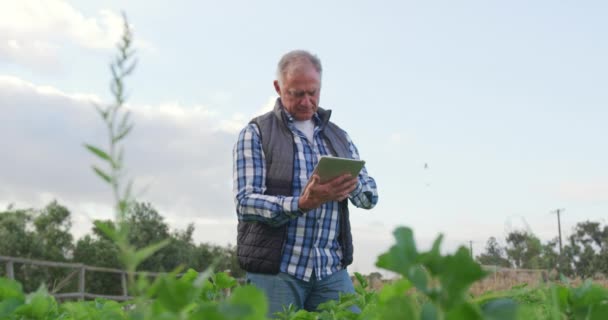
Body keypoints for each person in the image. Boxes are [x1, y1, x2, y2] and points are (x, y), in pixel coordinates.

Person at [232, 50, 378, 316]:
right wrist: (301, 203)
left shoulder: (339, 137)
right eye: (297, 93)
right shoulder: (256, 133)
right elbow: (245, 202)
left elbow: (370, 197)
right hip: (277, 271)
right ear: (278, 87)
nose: (307, 101)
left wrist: (351, 185)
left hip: (330, 269)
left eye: (313, 93)